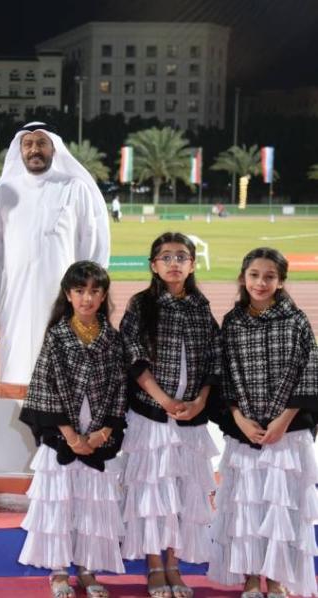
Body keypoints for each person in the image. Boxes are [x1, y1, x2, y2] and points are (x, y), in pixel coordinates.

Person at [208, 248, 318, 598]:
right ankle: (253, 577)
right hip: (246, 434)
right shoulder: (232, 321)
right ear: (243, 278)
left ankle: (280, 577)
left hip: (287, 434)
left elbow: (309, 373)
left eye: (269, 276)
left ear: (281, 281)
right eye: (254, 275)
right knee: (248, 508)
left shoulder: (296, 321)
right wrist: (239, 418)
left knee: (284, 509)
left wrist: (283, 421)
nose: (260, 282)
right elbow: (224, 375)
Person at [118, 232, 220, 598]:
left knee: (182, 494)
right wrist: (163, 400)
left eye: (181, 256)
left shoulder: (201, 307)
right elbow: (133, 355)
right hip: (152, 418)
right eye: (166, 257)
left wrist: (201, 400)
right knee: (152, 493)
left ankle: (174, 565)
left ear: (192, 265)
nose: (173, 263)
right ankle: (154, 566)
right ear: (153, 265)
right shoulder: (141, 304)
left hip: (191, 418)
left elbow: (215, 358)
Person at [18, 261, 126, 598]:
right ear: (68, 295)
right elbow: (45, 388)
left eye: (94, 291)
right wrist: (71, 437)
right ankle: (59, 570)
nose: (87, 298)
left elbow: (120, 389)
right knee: (60, 505)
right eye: (80, 291)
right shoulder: (57, 337)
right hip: (63, 436)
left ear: (103, 295)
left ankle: (88, 569)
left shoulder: (113, 340)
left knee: (92, 506)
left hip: (98, 438)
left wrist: (102, 433)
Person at [0, 122, 110, 388]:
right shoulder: (5, 191)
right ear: (20, 150)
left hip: (62, 296)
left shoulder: (74, 187)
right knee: (16, 363)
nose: (34, 150)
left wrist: (89, 292)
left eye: (41, 143)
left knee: (63, 366)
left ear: (54, 148)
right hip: (15, 295)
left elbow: (92, 240)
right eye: (28, 144)